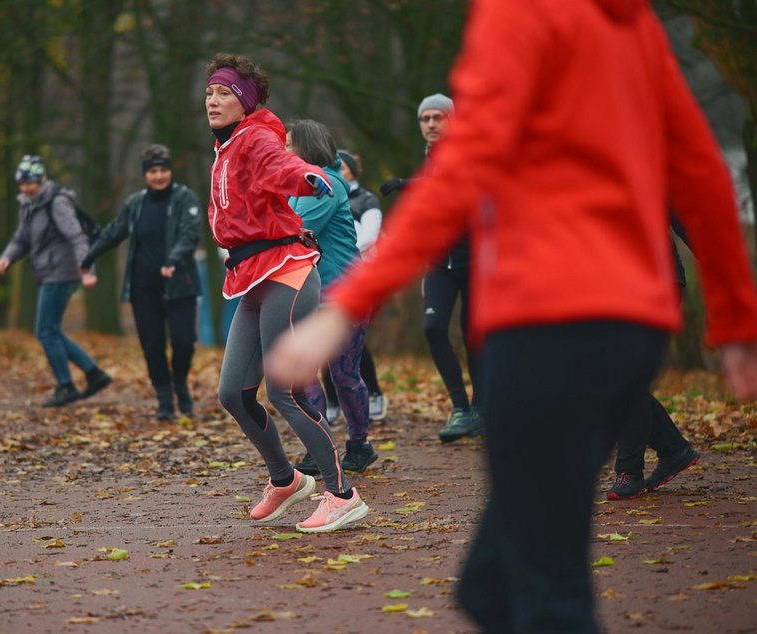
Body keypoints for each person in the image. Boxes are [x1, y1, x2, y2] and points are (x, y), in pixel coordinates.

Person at [264, 1, 757, 632]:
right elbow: (699, 169)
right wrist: (736, 319)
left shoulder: (524, 13)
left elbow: (461, 170)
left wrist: (349, 305)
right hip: (635, 324)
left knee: (547, 586)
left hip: (550, 319)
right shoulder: (630, 24)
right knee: (492, 582)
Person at [205, 52, 369, 533]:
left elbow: (280, 166)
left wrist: (306, 177)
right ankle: (286, 479)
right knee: (233, 392)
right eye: (209, 92)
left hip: (287, 271)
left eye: (224, 93)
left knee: (286, 390)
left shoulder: (255, 135)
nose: (212, 100)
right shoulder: (226, 146)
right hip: (251, 278)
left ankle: (342, 495)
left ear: (245, 102)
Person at [384, 93, 483, 443]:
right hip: (441, 261)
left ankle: (483, 407)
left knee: (476, 337)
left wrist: (404, 185)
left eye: (437, 118)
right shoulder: (431, 157)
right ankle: (462, 407)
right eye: (425, 119)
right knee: (433, 327)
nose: (430, 124)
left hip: (476, 259)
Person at [81, 144, 201, 419]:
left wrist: (172, 259)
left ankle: (179, 381)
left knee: (184, 341)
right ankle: (164, 401)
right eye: (153, 171)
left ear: (170, 170)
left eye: (163, 170)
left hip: (179, 281)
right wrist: (89, 257)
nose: (159, 176)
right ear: (145, 175)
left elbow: (189, 234)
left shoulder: (185, 199)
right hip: (142, 285)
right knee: (152, 344)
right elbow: (114, 232)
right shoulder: (136, 203)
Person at [284, 120, 378, 475]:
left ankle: (359, 444)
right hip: (309, 292)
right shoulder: (296, 183)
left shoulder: (325, 183)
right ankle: (319, 447)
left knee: (343, 373)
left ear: (306, 147)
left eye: (289, 144)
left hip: (344, 293)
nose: (283, 150)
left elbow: (292, 228)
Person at [0, 155, 112, 408]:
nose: (27, 188)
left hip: (62, 272)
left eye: (32, 183)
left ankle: (66, 385)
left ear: (42, 179)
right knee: (52, 331)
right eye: (23, 184)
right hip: (48, 271)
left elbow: (76, 236)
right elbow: (21, 239)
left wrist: (87, 268)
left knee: (45, 331)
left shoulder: (56, 202)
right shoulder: (27, 205)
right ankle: (94, 374)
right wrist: (7, 257)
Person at [608, 220, 700, 499]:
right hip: (609, 286)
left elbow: (687, 215)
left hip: (656, 279)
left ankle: (630, 471)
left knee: (622, 374)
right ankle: (673, 448)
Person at [320, 150, 389, 423]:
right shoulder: (321, 194)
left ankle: (373, 393)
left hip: (360, 275)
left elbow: (369, 237)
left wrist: (341, 252)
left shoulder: (366, 200)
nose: (339, 169)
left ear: (352, 169)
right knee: (328, 338)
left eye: (343, 165)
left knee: (351, 339)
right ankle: (333, 399)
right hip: (329, 276)